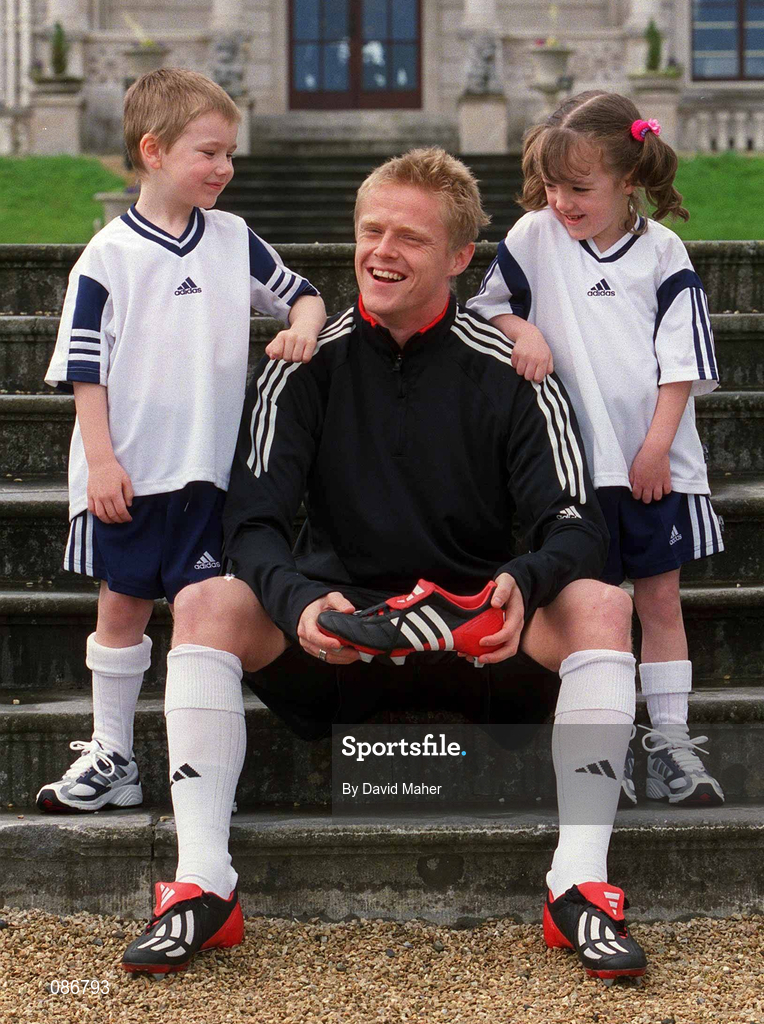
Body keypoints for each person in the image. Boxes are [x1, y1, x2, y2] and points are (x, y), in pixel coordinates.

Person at [121, 148, 646, 982]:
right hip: (338, 644)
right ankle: (202, 887)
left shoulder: (516, 369)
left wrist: (525, 584)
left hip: (479, 644)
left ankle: (578, 885)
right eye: (372, 231)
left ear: (461, 258)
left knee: (601, 606)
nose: (382, 252)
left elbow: (575, 524)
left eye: (411, 237)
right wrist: (298, 604)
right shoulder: (303, 363)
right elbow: (251, 524)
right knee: (205, 602)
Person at [38, 67, 325, 814]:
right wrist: (101, 461)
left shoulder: (234, 239)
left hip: (208, 476)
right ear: (154, 150)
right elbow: (82, 369)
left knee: (203, 610)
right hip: (128, 472)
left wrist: (301, 326)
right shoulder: (107, 257)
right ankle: (113, 755)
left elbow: (305, 293)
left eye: (230, 153)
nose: (225, 168)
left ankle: (202, 774)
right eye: (209, 153)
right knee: (122, 607)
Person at [467, 91, 724, 808]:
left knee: (661, 601)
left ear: (627, 179)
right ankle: (600, 753)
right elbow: (487, 308)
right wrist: (527, 331)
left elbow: (682, 364)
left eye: (579, 187)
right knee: (590, 606)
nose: (561, 200)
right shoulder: (531, 238)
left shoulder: (663, 252)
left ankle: (672, 747)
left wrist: (655, 449)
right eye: (551, 185)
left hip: (653, 464)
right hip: (570, 471)